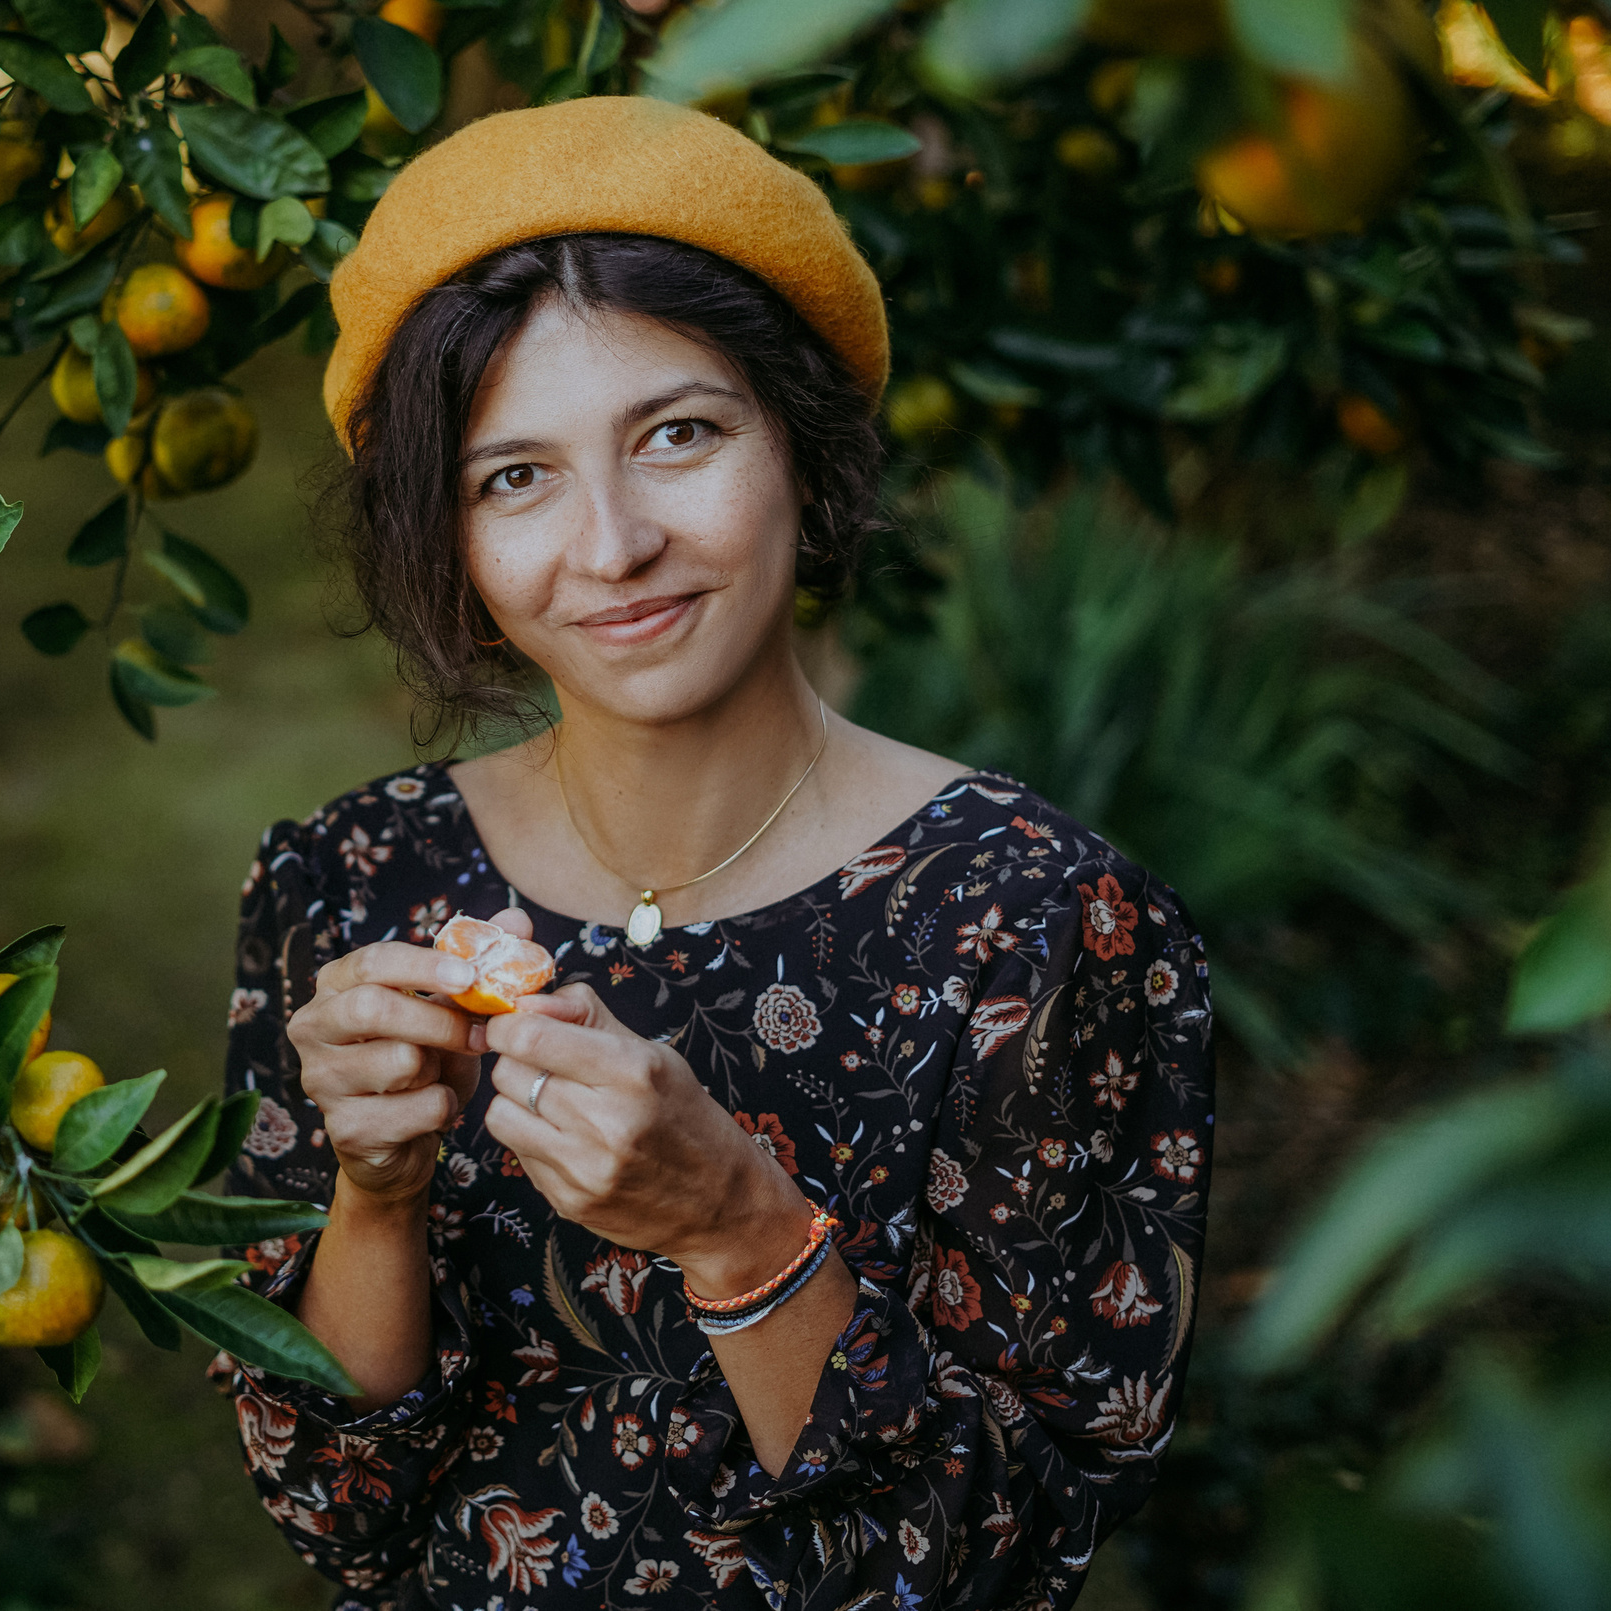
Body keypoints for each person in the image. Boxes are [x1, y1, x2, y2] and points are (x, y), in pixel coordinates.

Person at [217, 96, 1214, 1610]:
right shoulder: (350, 893)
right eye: (516, 477)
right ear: (458, 552)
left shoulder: (1038, 922)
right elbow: (337, 1509)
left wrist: (738, 1232)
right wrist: (375, 1192)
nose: (612, 546)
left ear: (805, 457)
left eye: (677, 436)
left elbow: (1004, 1559)